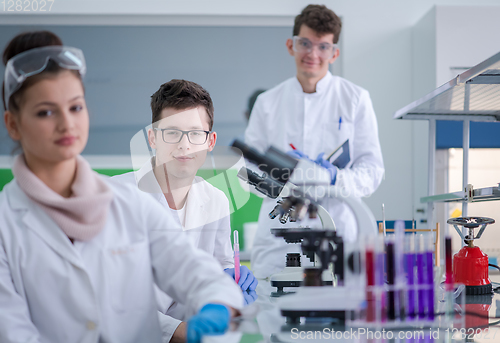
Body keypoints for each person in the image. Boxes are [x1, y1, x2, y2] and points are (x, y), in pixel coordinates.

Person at [0, 31, 243, 343]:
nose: (66, 124)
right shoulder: (6, 223)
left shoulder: (125, 202)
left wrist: (219, 301)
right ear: (13, 124)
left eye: (75, 107)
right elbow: (12, 330)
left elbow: (193, 270)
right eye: (45, 112)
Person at [245, 4, 385, 279]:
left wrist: (333, 180)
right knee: (273, 304)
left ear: (334, 53)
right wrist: (284, 186)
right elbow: (247, 172)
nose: (312, 54)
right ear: (291, 45)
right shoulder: (267, 103)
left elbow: (372, 170)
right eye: (305, 43)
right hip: (279, 232)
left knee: (339, 306)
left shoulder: (355, 99)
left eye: (323, 46)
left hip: (338, 231)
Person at [113, 80, 257, 340]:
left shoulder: (215, 199)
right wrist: (178, 331)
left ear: (210, 141)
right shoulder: (116, 197)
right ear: (152, 137)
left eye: (195, 133)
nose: (184, 145)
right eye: (171, 133)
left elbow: (220, 264)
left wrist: (231, 283)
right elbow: (110, 296)